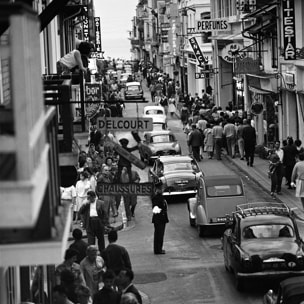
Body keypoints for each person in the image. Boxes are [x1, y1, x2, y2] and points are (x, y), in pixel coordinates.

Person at [152, 181, 169, 255]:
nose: (162, 190)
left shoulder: (161, 197)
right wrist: (162, 212)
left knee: (160, 234)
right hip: (159, 219)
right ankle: (158, 249)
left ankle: (159, 248)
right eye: (161, 188)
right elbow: (155, 208)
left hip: (162, 218)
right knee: (159, 234)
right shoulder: (156, 198)